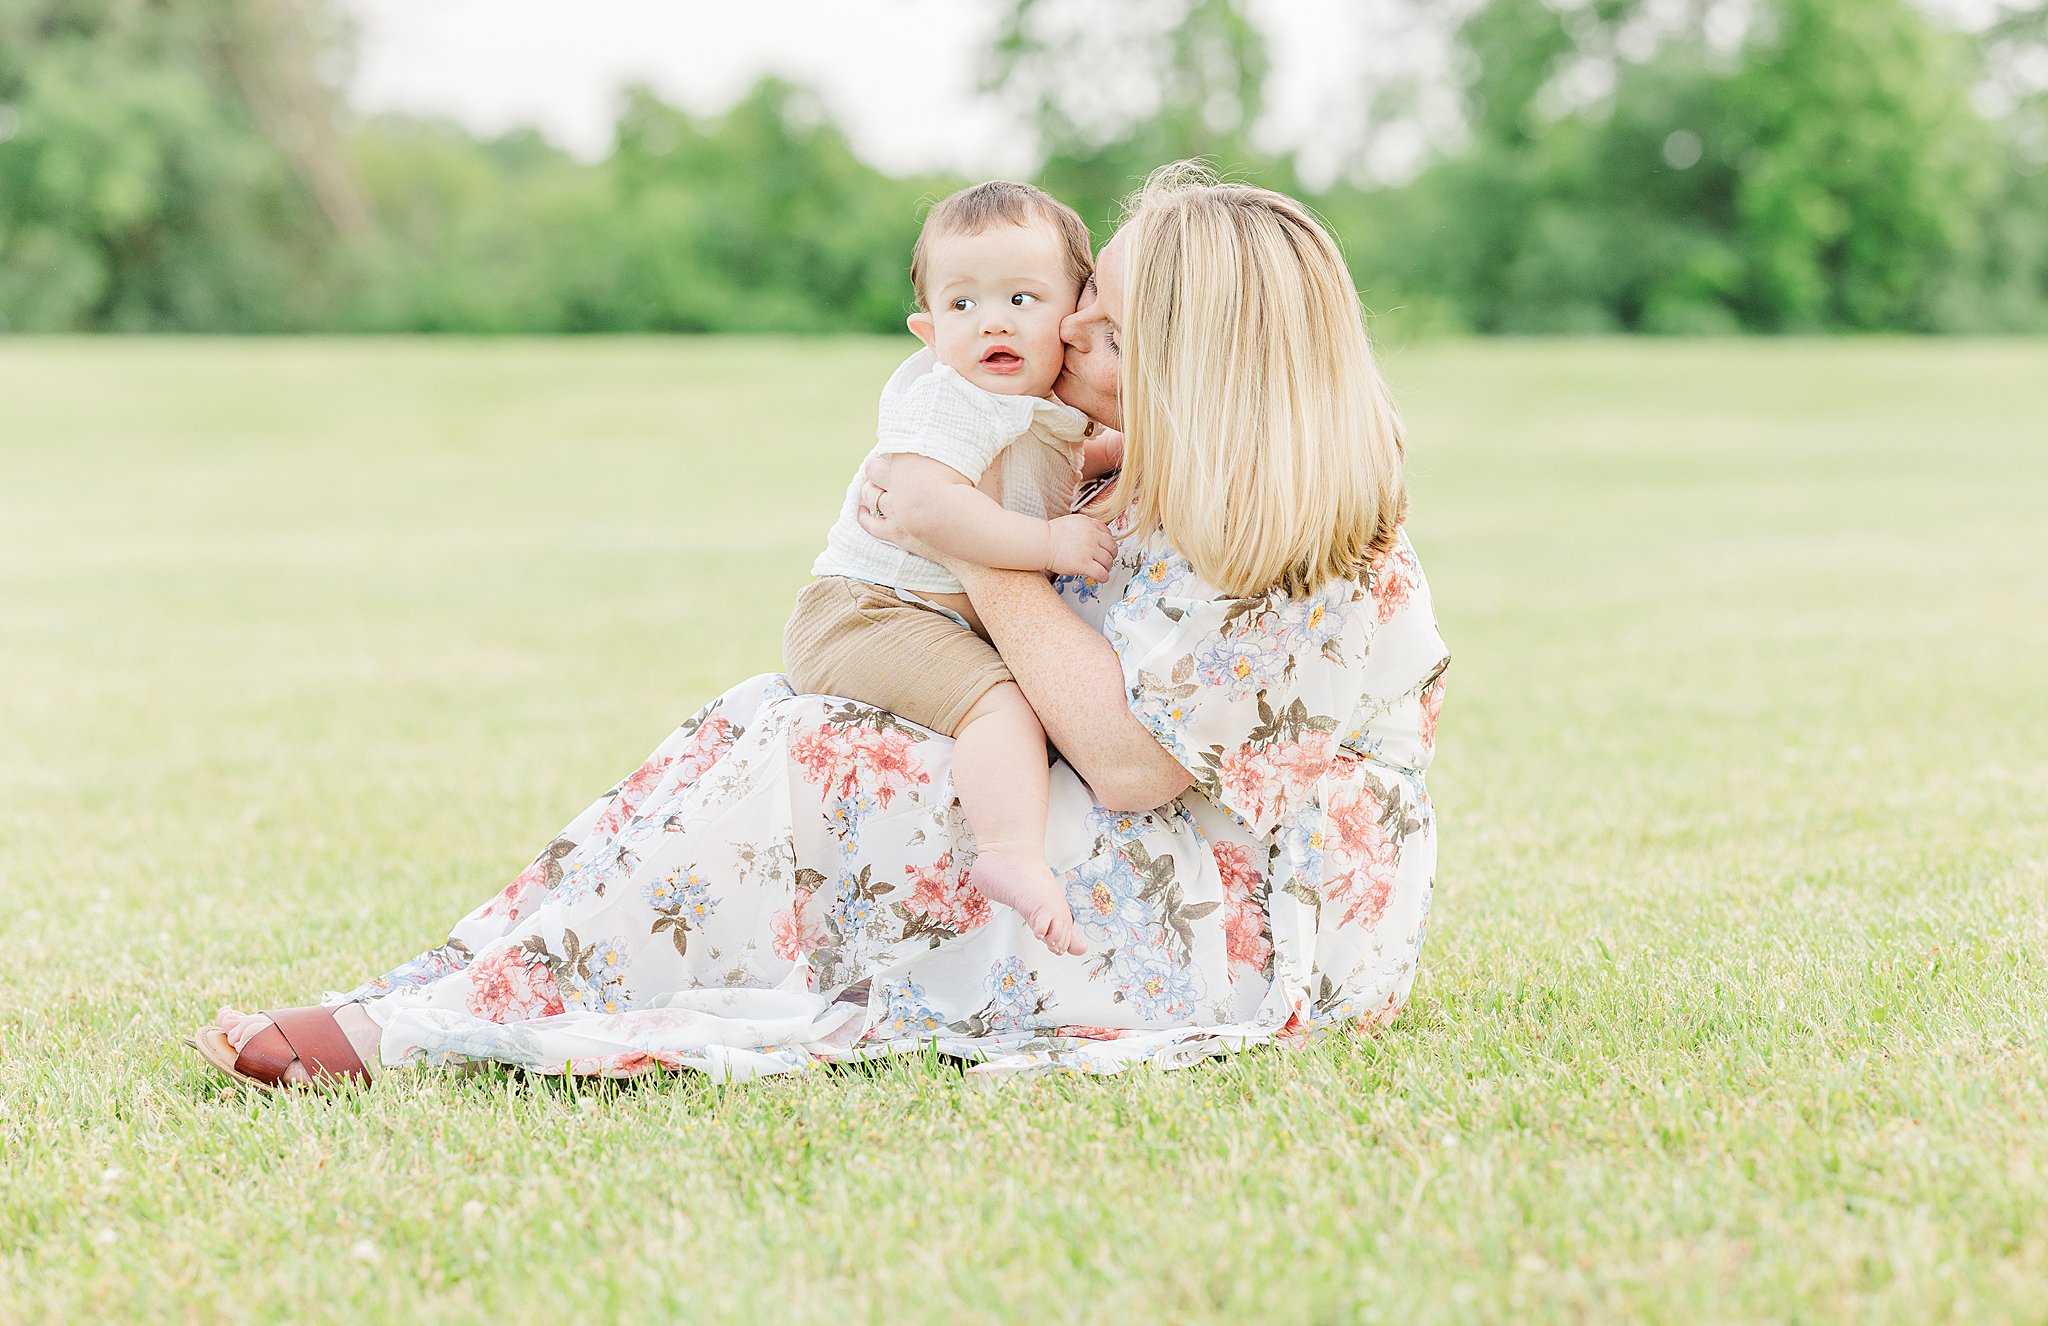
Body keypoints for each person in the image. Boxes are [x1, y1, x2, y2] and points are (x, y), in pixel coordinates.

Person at [190, 162, 1450, 1089]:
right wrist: (965, 509)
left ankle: (446, 1029)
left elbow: (1129, 764)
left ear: (1203, 366)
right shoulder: (1149, 463)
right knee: (771, 714)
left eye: (1105, 329)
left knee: (821, 761)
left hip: (1237, 917)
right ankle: (459, 994)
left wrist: (961, 542)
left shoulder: (1315, 550)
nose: (1061, 331)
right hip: (1141, 837)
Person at [785, 180, 1120, 958]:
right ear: (928, 332)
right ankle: (1008, 854)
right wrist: (1049, 547)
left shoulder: (1034, 409)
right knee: (1003, 706)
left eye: (1022, 298)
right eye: (962, 306)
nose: (992, 321)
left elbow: (1065, 459)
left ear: (1073, 317)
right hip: (868, 612)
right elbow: (928, 509)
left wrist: (1130, 452)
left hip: (905, 615)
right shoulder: (955, 402)